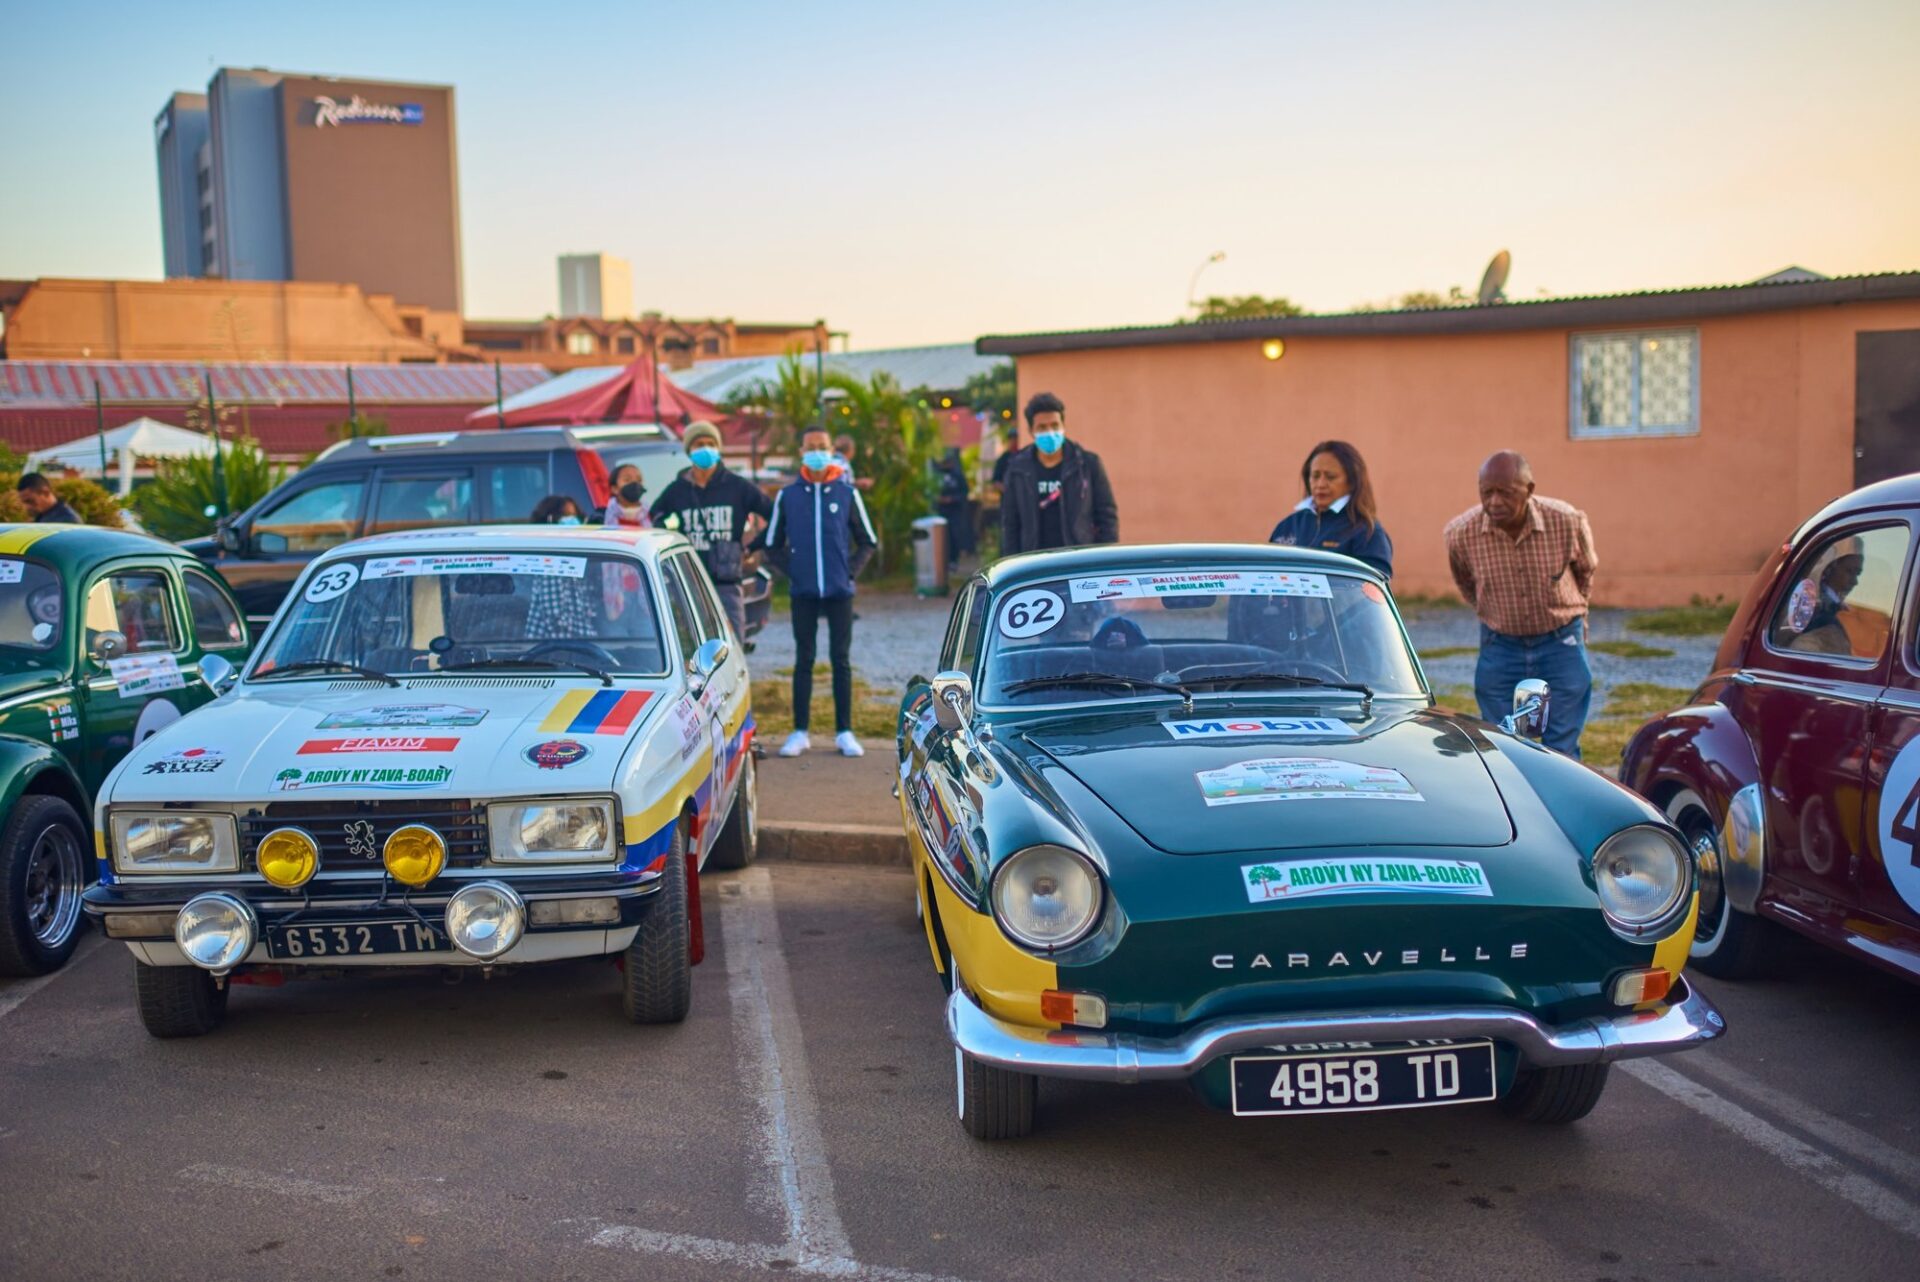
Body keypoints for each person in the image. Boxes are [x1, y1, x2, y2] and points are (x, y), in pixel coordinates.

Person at [1444, 451, 1598, 758]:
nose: (1495, 502)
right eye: (1487, 492)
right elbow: (1467, 584)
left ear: (1529, 490)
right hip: (1500, 644)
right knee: (1502, 743)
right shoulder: (1461, 533)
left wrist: (1576, 616)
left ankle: (1559, 803)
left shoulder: (1566, 521)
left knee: (1562, 747)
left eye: (1506, 493)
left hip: (1560, 640)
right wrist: (1494, 611)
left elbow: (1585, 571)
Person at [758, 425, 877, 758]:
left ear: (831, 451)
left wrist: (848, 570)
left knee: (841, 660)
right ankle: (800, 732)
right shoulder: (789, 495)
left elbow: (868, 540)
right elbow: (771, 544)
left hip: (840, 592)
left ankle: (844, 731)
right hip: (803, 593)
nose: (817, 452)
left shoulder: (847, 493)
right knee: (804, 660)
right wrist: (795, 570)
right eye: (810, 446)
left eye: (822, 446)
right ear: (801, 452)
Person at [649, 420, 773, 642]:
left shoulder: (737, 486)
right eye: (699, 444)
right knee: (695, 643)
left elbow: (774, 515)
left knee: (734, 642)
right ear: (689, 451)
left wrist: (753, 546)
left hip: (727, 581)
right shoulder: (677, 490)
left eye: (710, 443)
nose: (705, 448)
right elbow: (655, 517)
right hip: (690, 580)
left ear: (718, 448)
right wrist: (674, 537)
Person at [1000, 392, 1118, 555]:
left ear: (1063, 426)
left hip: (1078, 560)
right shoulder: (1017, 470)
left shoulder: (1086, 465)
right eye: (1042, 427)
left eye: (1055, 425)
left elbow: (1106, 517)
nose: (1050, 432)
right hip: (1033, 563)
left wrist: (1105, 558)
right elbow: (1010, 524)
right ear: (1031, 431)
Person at [1268, 440, 1393, 577]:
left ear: (1352, 482)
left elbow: (1372, 590)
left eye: (1330, 477)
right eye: (1315, 476)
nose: (1320, 484)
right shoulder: (1287, 526)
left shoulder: (1367, 532)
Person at [934, 447, 973, 568]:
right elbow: (931, 491)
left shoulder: (957, 475)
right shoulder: (937, 475)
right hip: (941, 512)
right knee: (942, 538)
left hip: (955, 511)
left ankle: (953, 561)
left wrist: (952, 499)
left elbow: (964, 492)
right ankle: (943, 561)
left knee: (954, 536)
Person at [15, 474, 81, 524]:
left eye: (30, 501)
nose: (27, 507)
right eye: (24, 503)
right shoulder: (42, 516)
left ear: (45, 492)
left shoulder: (67, 521)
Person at [604, 464, 651, 528]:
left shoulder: (653, 515)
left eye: (639, 480)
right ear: (615, 489)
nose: (635, 484)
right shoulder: (602, 517)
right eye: (627, 480)